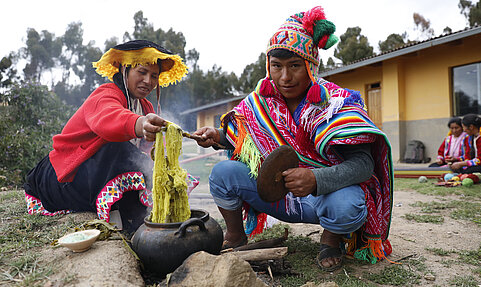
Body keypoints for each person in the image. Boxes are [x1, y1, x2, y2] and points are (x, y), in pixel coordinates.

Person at [194, 7, 393, 271]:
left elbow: (363, 166)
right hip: (276, 195)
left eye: (295, 66)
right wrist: (216, 136)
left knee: (349, 204)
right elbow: (242, 138)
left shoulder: (338, 103)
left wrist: (316, 179)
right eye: (277, 66)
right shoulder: (259, 102)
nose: (285, 77)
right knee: (222, 173)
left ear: (310, 66)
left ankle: (331, 240)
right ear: (269, 66)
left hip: (323, 199)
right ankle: (235, 235)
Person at [23, 40, 189, 234]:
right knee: (116, 148)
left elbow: (145, 152)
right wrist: (140, 124)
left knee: (147, 165)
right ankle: (118, 225)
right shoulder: (105, 95)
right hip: (60, 177)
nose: (148, 81)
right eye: (142, 72)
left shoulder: (145, 107)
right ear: (125, 69)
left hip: (93, 176)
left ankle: (140, 224)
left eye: (154, 76)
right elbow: (108, 120)